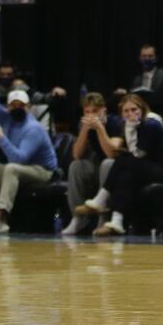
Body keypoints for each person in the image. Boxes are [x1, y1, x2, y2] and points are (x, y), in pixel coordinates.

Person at [0, 61, 59, 235]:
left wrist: (0, 137)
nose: (17, 108)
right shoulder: (7, 117)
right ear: (8, 107)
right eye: (13, 105)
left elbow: (19, 159)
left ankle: (1, 219)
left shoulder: (33, 129)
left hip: (43, 171)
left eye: (21, 105)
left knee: (12, 168)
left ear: (28, 107)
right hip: (20, 169)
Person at [75, 92, 163, 236]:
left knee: (123, 160)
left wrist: (130, 129)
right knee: (125, 175)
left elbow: (138, 154)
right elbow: (77, 155)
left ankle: (101, 199)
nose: (131, 113)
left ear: (142, 109)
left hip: (161, 169)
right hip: (141, 168)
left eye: (134, 109)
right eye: (126, 111)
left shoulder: (151, 124)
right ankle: (116, 221)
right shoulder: (128, 124)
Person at [62, 92, 122, 236]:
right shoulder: (84, 125)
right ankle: (78, 218)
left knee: (107, 163)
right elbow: (77, 154)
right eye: (87, 112)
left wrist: (100, 129)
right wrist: (84, 130)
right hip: (96, 167)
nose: (90, 115)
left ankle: (104, 217)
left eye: (94, 111)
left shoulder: (116, 122)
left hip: (117, 171)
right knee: (76, 166)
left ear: (104, 110)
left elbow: (112, 154)